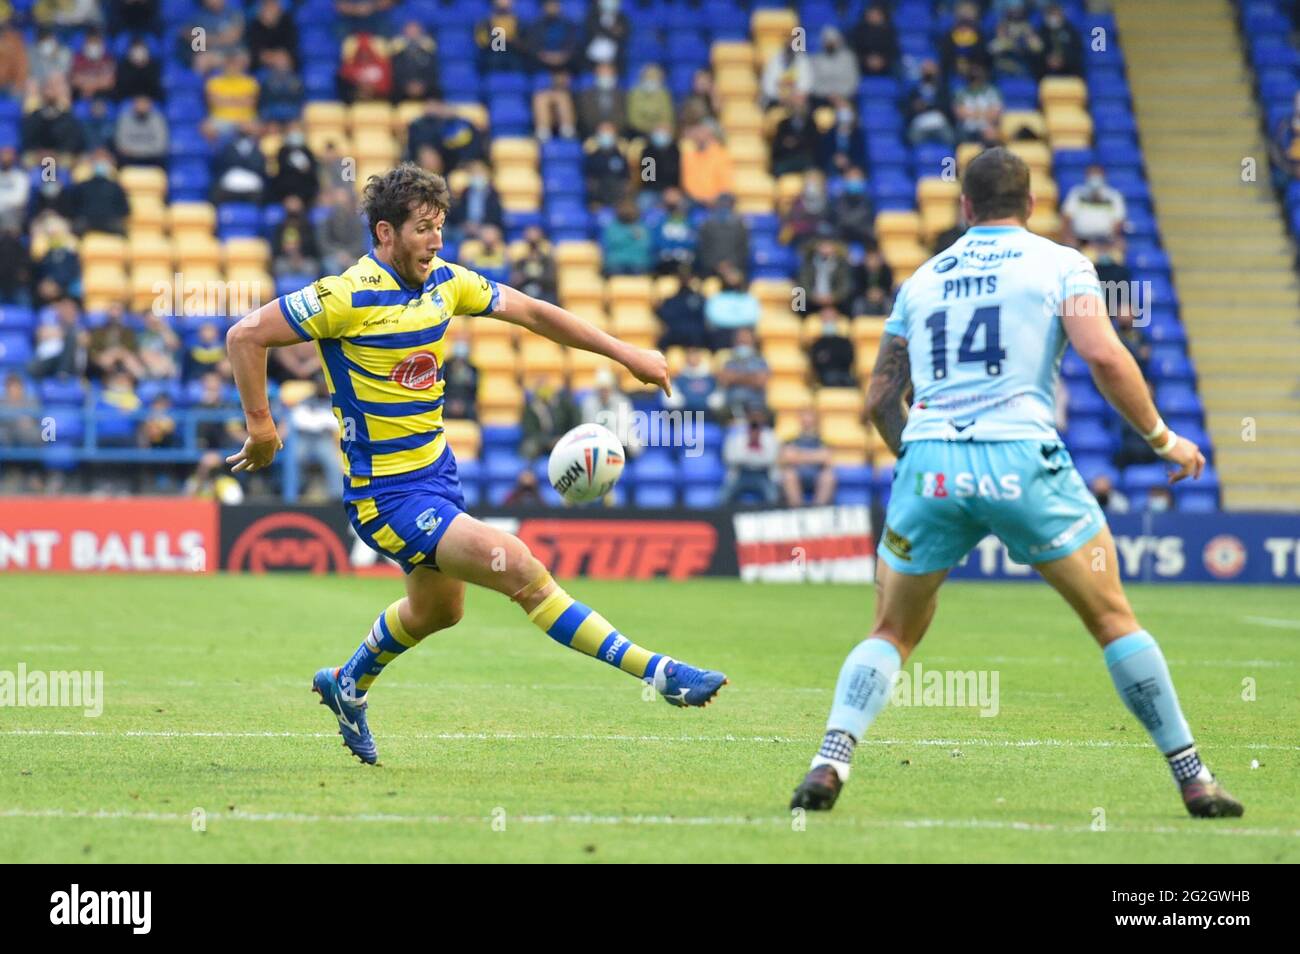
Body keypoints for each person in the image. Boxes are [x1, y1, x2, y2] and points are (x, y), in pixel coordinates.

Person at [223, 163, 728, 764]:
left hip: (437, 477)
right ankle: (660, 673)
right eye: (422, 230)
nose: (436, 242)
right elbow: (244, 335)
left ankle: (348, 683)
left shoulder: (446, 283)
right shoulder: (345, 296)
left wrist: (625, 354)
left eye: (440, 228)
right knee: (517, 564)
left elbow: (535, 312)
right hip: (385, 496)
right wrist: (261, 426)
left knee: (441, 610)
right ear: (384, 233)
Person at [789, 147, 1239, 819]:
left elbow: (882, 399)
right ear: (1031, 205)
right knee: (1113, 618)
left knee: (891, 631)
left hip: (931, 461)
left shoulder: (922, 280)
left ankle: (831, 759)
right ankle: (1193, 778)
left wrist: (917, 461)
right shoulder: (1060, 264)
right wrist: (1162, 439)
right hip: (1021, 459)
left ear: (964, 207)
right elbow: (1103, 355)